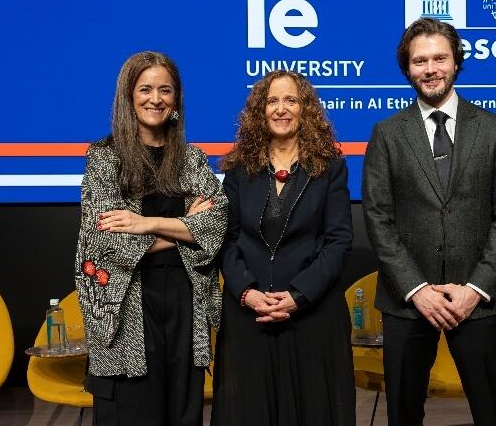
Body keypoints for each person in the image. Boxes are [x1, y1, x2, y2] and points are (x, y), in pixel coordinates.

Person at [362, 18, 496, 426]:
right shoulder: (386, 134)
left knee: (492, 409)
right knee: (403, 411)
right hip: (408, 301)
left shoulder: (493, 129)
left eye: (439, 58)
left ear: (456, 63)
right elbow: (378, 218)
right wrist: (417, 290)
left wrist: (475, 289)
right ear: (407, 68)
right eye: (419, 61)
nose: (430, 68)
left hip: (478, 301)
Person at [74, 51, 228, 426]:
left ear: (176, 100)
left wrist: (146, 223)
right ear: (128, 96)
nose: (155, 99)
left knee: (182, 412)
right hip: (126, 306)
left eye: (165, 90)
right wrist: (183, 231)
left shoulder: (191, 159)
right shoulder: (104, 159)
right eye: (145, 89)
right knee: (133, 411)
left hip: (184, 302)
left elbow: (218, 224)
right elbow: (106, 244)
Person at [211, 70, 355, 426]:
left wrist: (298, 295)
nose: (281, 109)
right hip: (250, 316)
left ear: (305, 108)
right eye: (272, 101)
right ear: (260, 111)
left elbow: (338, 242)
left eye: (290, 100)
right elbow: (226, 241)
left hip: (312, 316)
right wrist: (247, 293)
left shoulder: (330, 167)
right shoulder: (239, 167)